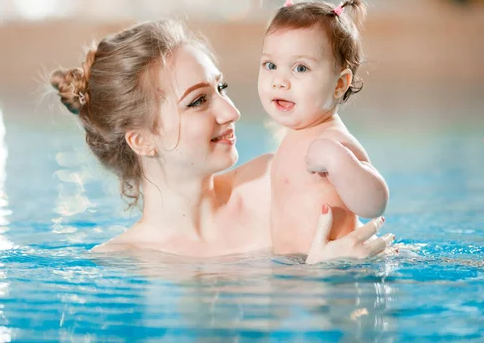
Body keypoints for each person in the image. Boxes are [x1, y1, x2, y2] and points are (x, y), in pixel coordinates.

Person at [50, 19, 393, 263]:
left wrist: (346, 274)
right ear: (142, 140)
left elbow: (383, 254)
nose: (231, 111)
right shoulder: (120, 264)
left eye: (221, 89)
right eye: (198, 101)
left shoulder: (282, 183)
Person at [258, 0, 391, 256]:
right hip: (303, 270)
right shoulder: (296, 135)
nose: (279, 81)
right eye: (270, 65)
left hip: (341, 270)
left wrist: (336, 159)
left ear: (340, 84)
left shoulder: (332, 139)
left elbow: (375, 202)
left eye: (301, 68)